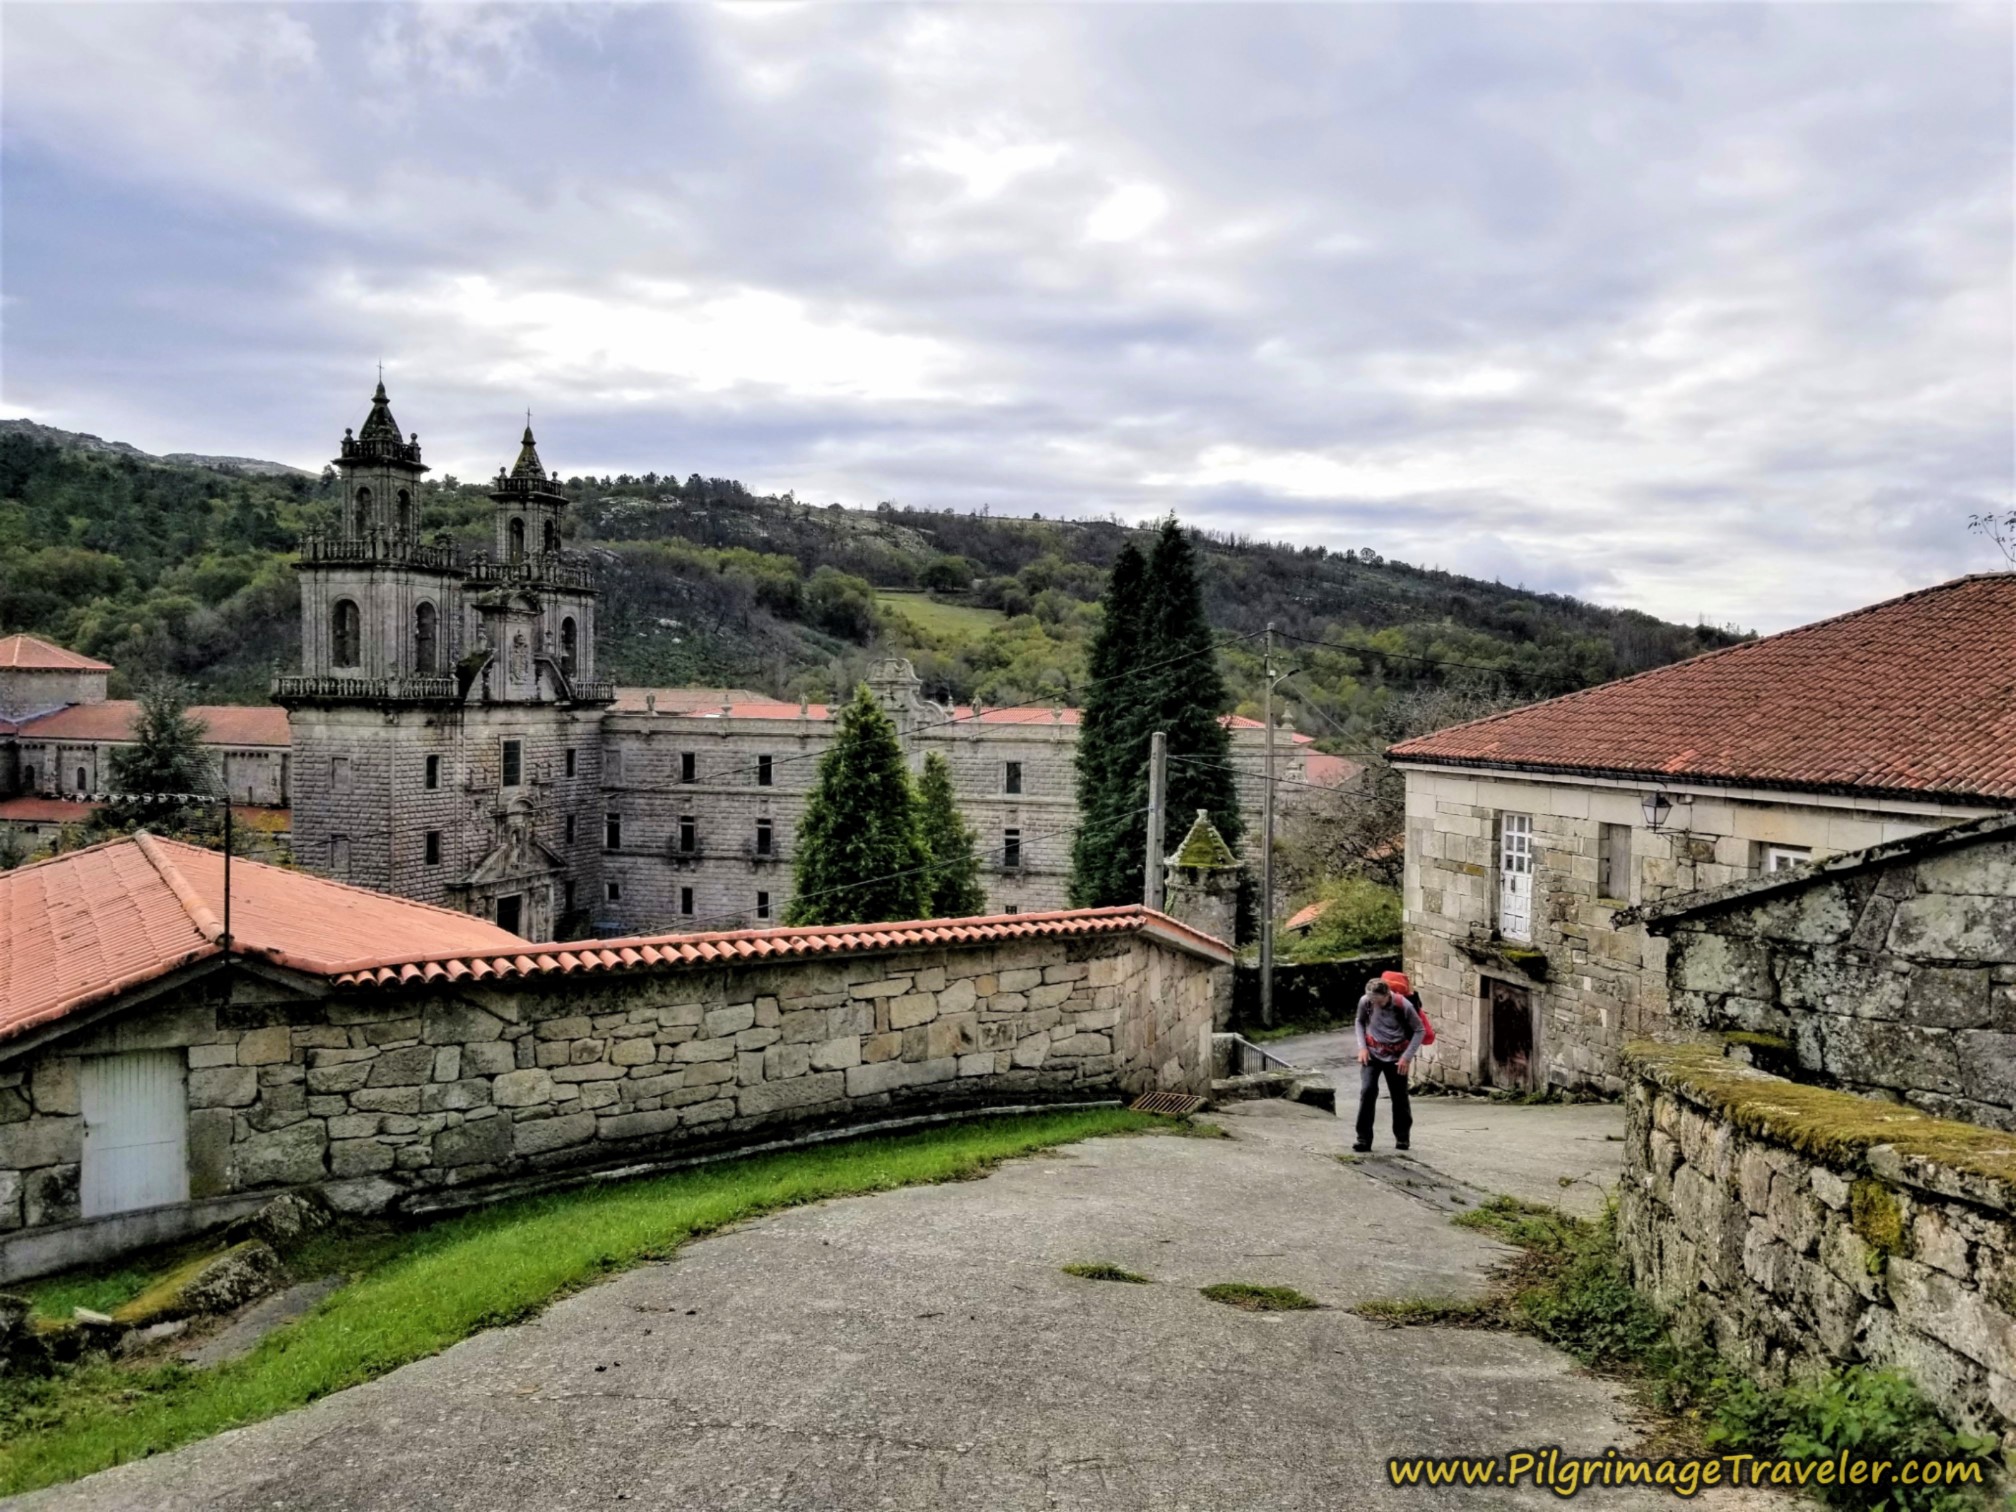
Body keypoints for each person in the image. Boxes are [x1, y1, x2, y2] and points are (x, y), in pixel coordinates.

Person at [1354, 975, 1424, 1153]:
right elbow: (1360, 1022)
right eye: (1371, 999)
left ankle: (1402, 1138)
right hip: (1372, 1054)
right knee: (1367, 1091)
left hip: (1396, 1057)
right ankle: (1363, 1139)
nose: (1373, 1003)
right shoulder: (1366, 1001)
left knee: (1399, 1097)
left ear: (1387, 995)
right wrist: (1362, 1048)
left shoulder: (1403, 1006)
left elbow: (1419, 1030)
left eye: (1377, 1000)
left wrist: (1406, 1057)